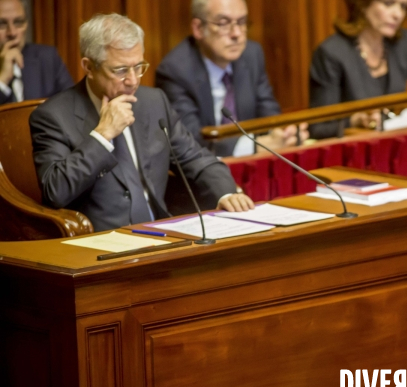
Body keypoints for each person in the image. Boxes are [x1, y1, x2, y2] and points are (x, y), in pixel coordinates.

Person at [30, 13, 253, 232]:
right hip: (102, 244)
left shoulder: (153, 102)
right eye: (120, 70)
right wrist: (102, 135)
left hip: (163, 234)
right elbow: (55, 191)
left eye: (138, 67)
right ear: (89, 67)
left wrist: (226, 193)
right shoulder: (53, 116)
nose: (133, 80)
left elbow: (196, 158)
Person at [156, 0, 308, 157]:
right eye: (223, 24)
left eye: (241, 22)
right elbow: (190, 139)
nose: (236, 34)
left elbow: (268, 112)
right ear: (198, 28)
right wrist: (255, 147)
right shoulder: (175, 71)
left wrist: (283, 134)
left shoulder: (251, 55)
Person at [308, 0, 407, 139]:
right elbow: (319, 127)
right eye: (388, 3)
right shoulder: (331, 52)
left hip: (395, 146)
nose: (398, 14)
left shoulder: (404, 43)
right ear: (363, 5)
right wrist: (354, 121)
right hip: (354, 152)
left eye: (403, 6)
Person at [0, 0, 72, 104]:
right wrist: (2, 80)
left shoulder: (48, 58)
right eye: (2, 24)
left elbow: (73, 105)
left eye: (18, 22)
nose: (12, 33)